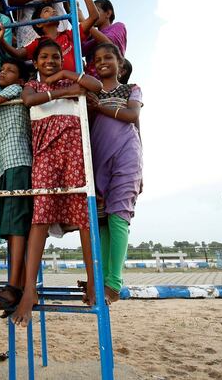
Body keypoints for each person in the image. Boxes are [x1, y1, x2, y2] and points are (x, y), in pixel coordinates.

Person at [10, 40, 102, 326]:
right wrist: (62, 90)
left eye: (56, 57)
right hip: (46, 156)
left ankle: (92, 281)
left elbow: (96, 86)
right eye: (44, 58)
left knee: (84, 217)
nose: (50, 61)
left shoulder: (76, 83)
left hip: (74, 155)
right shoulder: (34, 87)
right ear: (35, 62)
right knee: (40, 219)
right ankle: (29, 291)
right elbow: (29, 100)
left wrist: (71, 77)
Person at [86, 43, 142, 303]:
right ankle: (100, 279)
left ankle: (113, 285)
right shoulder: (90, 93)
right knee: (101, 220)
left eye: (108, 57)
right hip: (98, 158)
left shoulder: (131, 89)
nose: (102, 61)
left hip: (126, 156)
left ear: (120, 63)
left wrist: (142, 171)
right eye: (97, 59)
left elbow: (132, 118)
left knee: (119, 217)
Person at [0, 58, 32, 316]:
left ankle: (14, 285)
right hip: (8, 164)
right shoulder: (9, 90)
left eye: (10, 70)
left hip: (17, 162)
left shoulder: (14, 90)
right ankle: (17, 285)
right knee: (13, 227)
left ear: (20, 79)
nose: (3, 73)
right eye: (1, 70)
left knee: (16, 226)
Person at [0, 0, 103, 70]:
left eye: (54, 9)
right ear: (39, 24)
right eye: (47, 10)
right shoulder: (38, 44)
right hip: (51, 87)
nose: (53, 11)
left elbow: (94, 16)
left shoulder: (69, 35)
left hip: (75, 85)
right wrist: (1, 41)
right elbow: (18, 54)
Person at [82, 0, 127, 76]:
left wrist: (83, 21)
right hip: (92, 80)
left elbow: (109, 45)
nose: (93, 15)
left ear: (108, 13)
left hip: (110, 79)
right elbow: (79, 51)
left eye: (96, 11)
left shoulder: (118, 26)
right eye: (91, 13)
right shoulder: (90, 35)